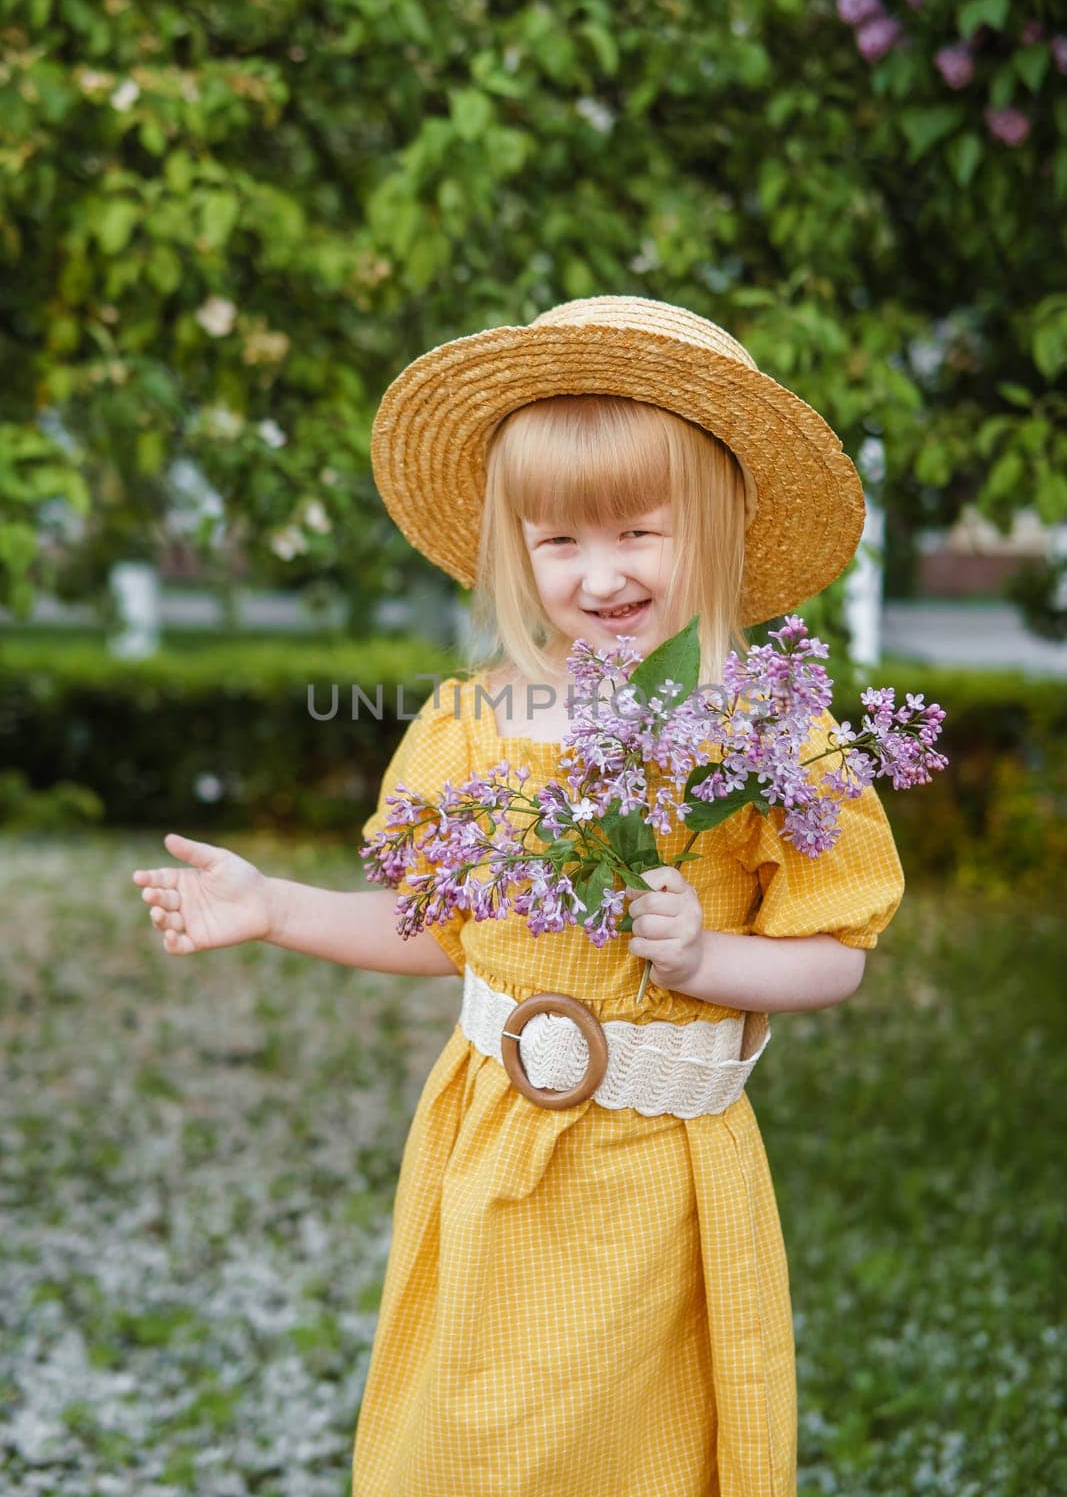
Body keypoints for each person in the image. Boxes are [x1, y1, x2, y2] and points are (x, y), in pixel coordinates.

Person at [131, 296, 906, 1497]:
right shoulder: (472, 723)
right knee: (478, 1433)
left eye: (640, 531)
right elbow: (434, 928)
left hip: (663, 1174)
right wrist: (275, 906)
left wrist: (708, 960)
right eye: (558, 542)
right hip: (491, 1150)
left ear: (718, 522)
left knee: (638, 1448)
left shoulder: (770, 737)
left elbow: (834, 952)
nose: (601, 575)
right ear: (513, 549)